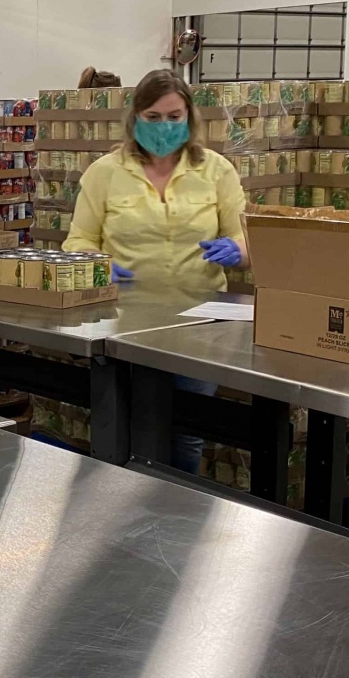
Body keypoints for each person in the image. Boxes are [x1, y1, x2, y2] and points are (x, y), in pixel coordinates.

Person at [63, 69, 246, 473]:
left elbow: (247, 237)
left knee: (185, 430)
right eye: (154, 117)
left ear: (190, 117)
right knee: (122, 426)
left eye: (174, 116)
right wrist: (99, 267)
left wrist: (238, 249)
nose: (165, 126)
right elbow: (77, 243)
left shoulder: (217, 172)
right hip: (123, 323)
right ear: (135, 119)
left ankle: (179, 515)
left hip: (200, 325)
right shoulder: (105, 173)